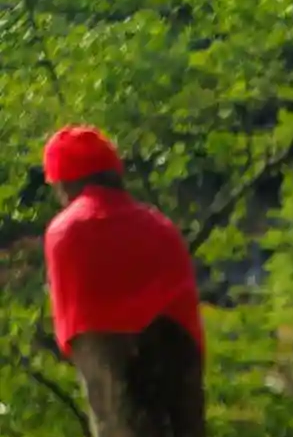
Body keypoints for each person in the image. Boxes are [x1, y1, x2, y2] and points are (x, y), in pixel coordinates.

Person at [43, 125, 203, 358]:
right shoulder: (163, 228)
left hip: (109, 370)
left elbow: (71, 329)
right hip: (178, 366)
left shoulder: (64, 231)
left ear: (64, 184)